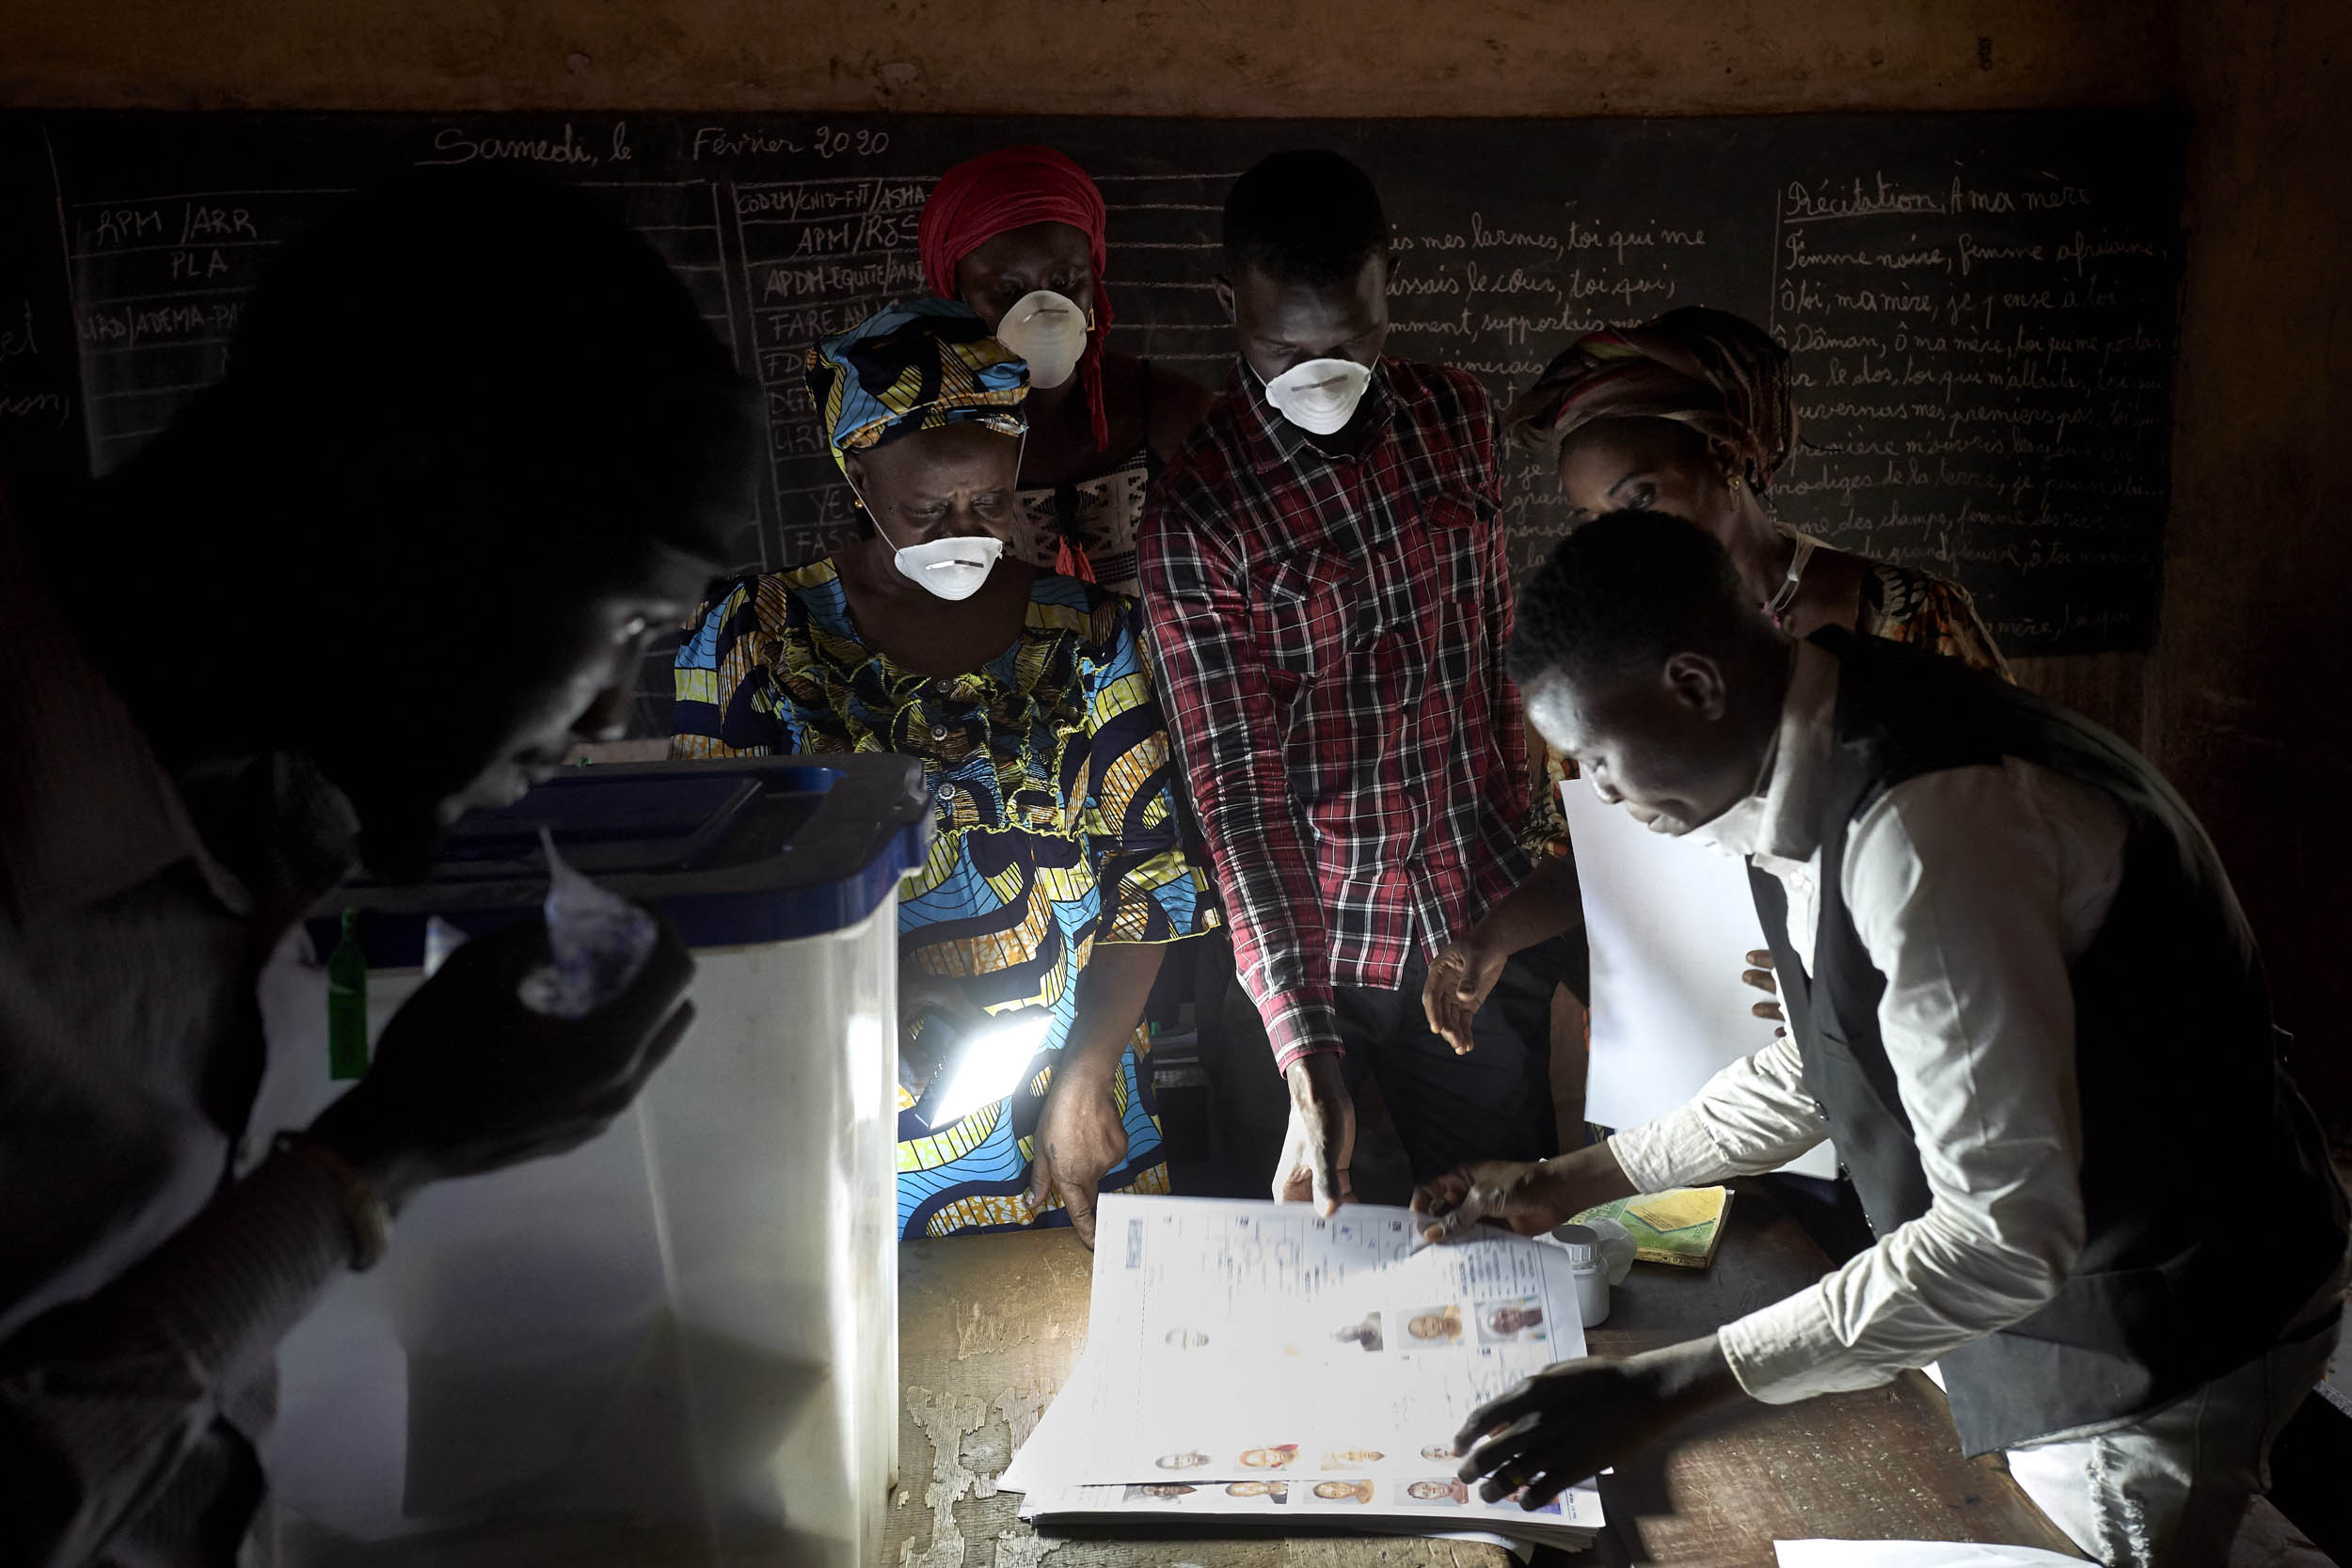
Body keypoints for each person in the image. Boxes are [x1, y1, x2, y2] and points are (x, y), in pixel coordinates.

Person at [0, 169, 749, 1567]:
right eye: (632, 624)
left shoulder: (263, 803)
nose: (611, 722)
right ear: (410, 503)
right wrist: (373, 1156)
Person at [1415, 515, 2349, 1567]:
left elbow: (2001, 1234)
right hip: (2073, 1276)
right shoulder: (1808, 755)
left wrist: (1667, 1382)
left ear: (1693, 682)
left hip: (2166, 1313)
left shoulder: (1923, 824)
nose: (1600, 790)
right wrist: (1573, 1177)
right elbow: (1829, 1057)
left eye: (1594, 753)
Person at [1422, 307, 2010, 1180]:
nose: (1624, 542)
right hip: (1696, 1078)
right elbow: (1593, 854)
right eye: (1593, 520)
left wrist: (1835, 973)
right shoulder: (1604, 667)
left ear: (1731, 457)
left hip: (1911, 1079)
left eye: (1642, 499)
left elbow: (1995, 867)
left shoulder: (1909, 626)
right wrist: (1495, 932)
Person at [672, 298, 1214, 1243]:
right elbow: (716, 896)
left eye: (990, 502)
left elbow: (1152, 874)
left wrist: (1089, 1071)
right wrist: (874, 987)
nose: (965, 527)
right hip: (849, 1102)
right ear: (857, 476)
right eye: (928, 508)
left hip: (1068, 1092)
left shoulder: (1087, 635)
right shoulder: (756, 639)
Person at [1138, 150, 1567, 1214]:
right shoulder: (1197, 513)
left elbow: (1492, 657)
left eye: (1352, 342)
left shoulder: (1453, 417)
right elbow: (1235, 793)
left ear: (1389, 287)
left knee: (1501, 1233)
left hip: (1470, 925)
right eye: (1286, 347)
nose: (1322, 373)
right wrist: (1301, 1044)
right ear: (1225, 301)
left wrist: (1521, 894)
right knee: (1283, 1248)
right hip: (1300, 947)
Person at [921, 145, 1215, 594]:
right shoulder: (922, 448)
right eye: (1006, 291)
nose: (1042, 310)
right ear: (957, 299)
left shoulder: (1173, 414)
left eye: (1063, 283)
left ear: (1093, 279)